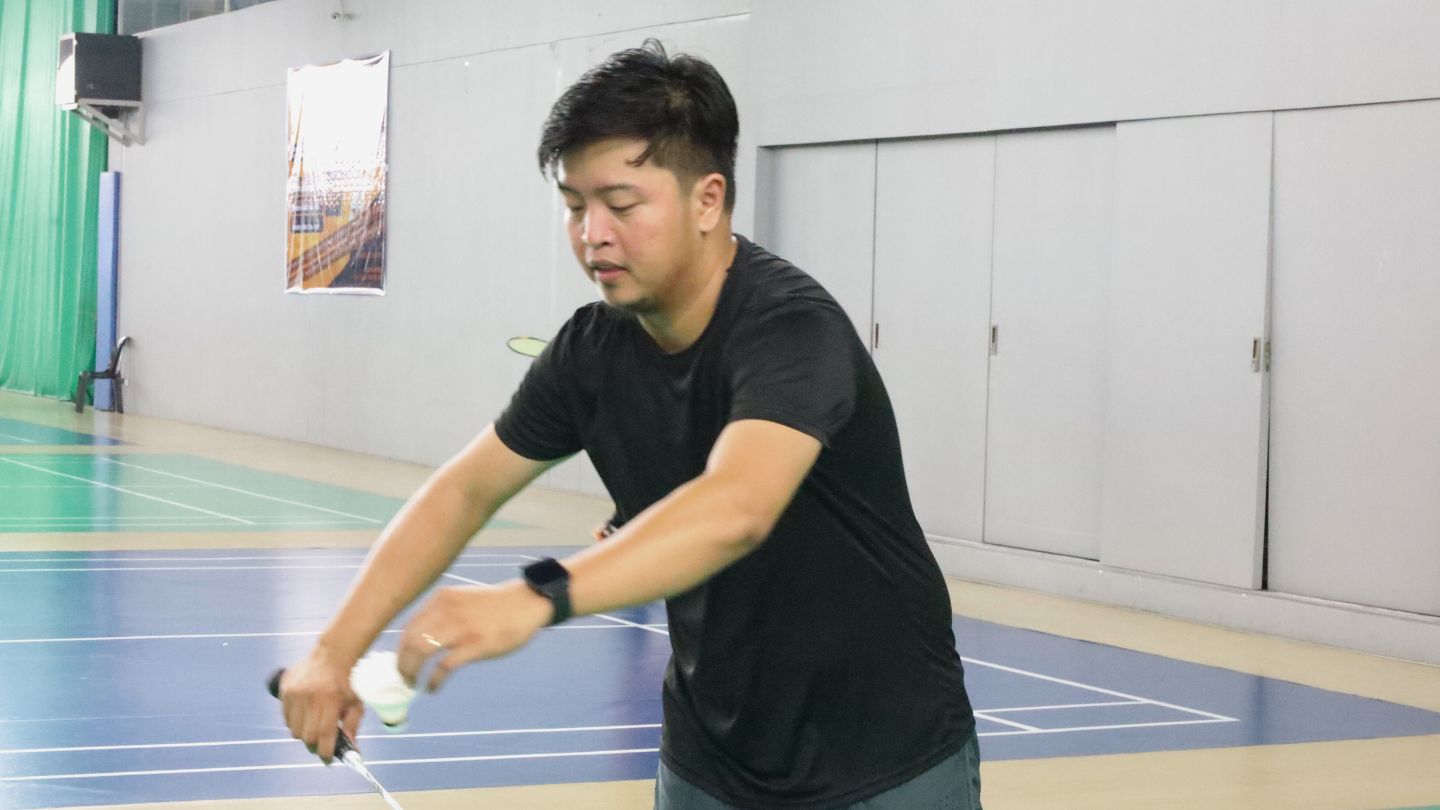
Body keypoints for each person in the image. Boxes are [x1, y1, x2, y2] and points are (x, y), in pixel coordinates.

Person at [278, 39, 982, 809]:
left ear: (707, 201)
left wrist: (537, 596)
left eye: (620, 205)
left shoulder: (790, 330)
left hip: (886, 762)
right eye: (575, 206)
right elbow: (464, 492)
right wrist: (333, 652)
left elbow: (737, 507)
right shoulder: (591, 352)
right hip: (711, 759)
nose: (593, 234)